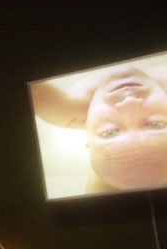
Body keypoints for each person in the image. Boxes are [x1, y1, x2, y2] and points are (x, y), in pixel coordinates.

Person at [30, 56, 167, 194]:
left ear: (88, 136)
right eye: (156, 124)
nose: (129, 102)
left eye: (110, 132)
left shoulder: (74, 111)